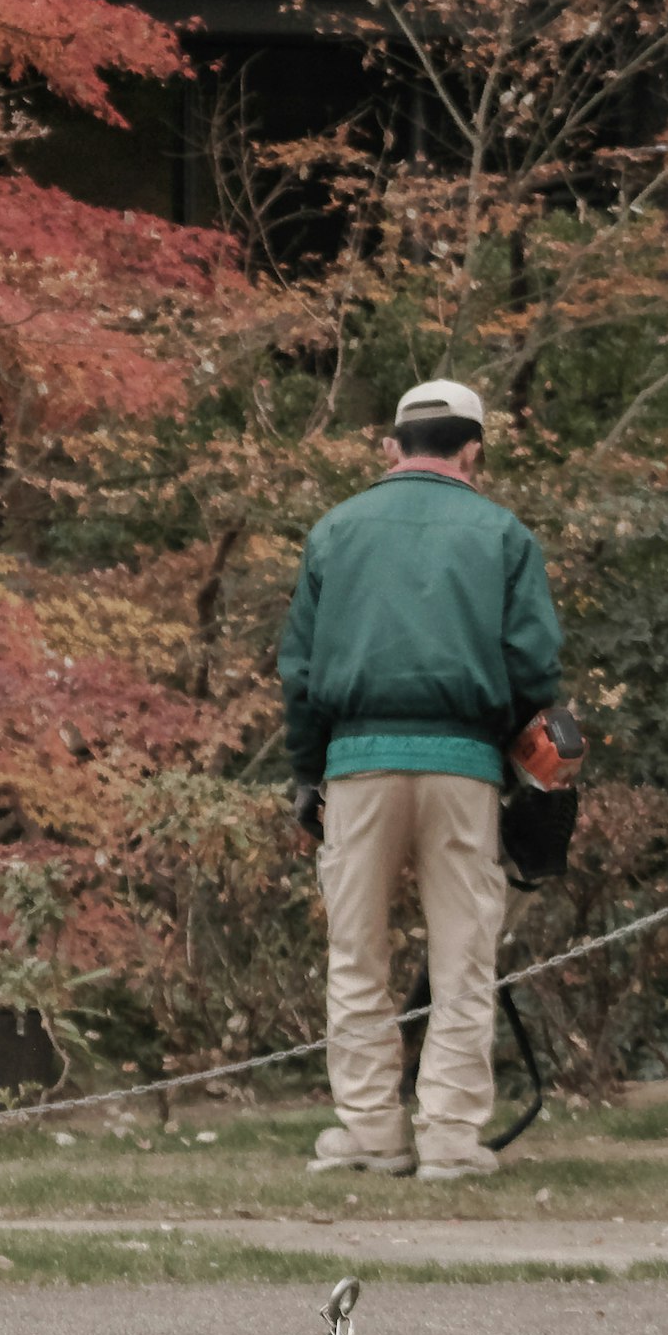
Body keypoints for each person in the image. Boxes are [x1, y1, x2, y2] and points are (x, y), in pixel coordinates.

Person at [276, 378, 564, 1181]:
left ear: (391, 447)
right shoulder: (503, 534)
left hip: (355, 766)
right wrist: (522, 766)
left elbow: (299, 671)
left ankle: (369, 1130)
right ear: (473, 450)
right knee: (464, 954)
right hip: (466, 766)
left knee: (356, 952)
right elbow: (533, 667)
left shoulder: (335, 530)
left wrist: (308, 772)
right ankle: (448, 1138)